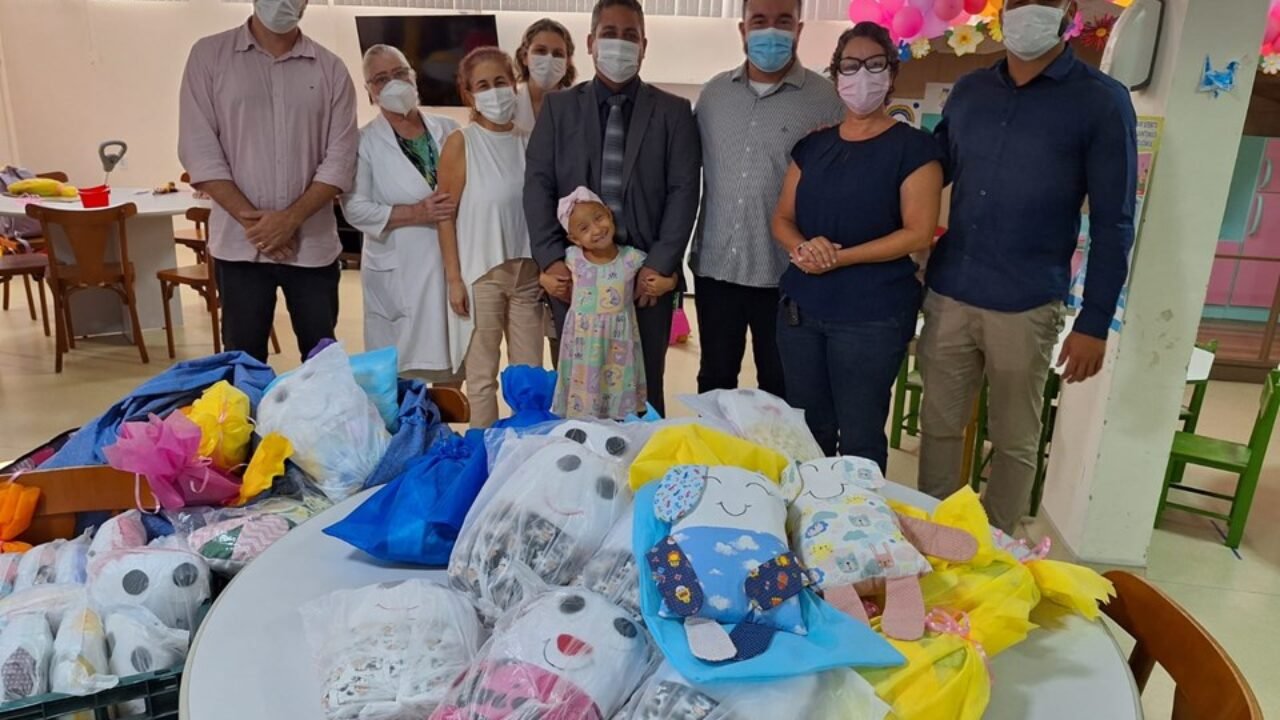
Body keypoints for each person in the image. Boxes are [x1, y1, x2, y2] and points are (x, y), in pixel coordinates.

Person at [919, 0, 1137, 533]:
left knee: (1014, 440)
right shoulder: (970, 91)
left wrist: (1094, 321)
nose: (1028, 9)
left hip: (1027, 301)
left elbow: (1113, 222)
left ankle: (999, 549)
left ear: (1069, 9)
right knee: (939, 427)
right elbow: (927, 171)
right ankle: (933, 539)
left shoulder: (1101, 101)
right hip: (950, 290)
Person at [770, 22, 943, 472]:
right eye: (850, 65)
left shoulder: (915, 149)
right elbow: (782, 218)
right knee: (807, 433)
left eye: (874, 64)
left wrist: (838, 257)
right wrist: (803, 248)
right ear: (836, 75)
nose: (861, 75)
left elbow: (918, 232)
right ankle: (809, 512)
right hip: (802, 312)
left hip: (872, 318)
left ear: (892, 73)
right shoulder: (813, 146)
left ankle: (859, 517)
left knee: (860, 435)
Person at [524, 0, 701, 417]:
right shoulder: (559, 108)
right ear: (590, 42)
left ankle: (641, 455)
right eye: (609, 34)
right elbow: (538, 184)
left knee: (643, 390)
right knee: (579, 386)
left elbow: (683, 191)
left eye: (629, 35)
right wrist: (550, 259)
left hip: (644, 279)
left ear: (644, 45)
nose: (619, 43)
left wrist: (660, 263)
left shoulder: (673, 112)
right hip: (579, 276)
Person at [178, 0, 357, 361]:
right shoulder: (209, 56)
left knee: (323, 362)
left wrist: (290, 220)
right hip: (240, 246)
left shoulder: (330, 69)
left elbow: (340, 160)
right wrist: (260, 227)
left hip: (312, 246)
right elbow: (200, 151)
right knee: (242, 362)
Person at [691, 0, 844, 398]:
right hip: (716, 267)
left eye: (783, 21)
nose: (771, 31)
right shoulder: (713, 95)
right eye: (759, 21)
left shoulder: (828, 101)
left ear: (799, 29)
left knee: (780, 387)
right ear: (742, 29)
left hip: (786, 273)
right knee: (714, 379)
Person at [340, 45, 460, 385]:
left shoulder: (450, 130)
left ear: (413, 76)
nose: (392, 83)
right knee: (403, 369)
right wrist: (417, 212)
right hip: (400, 266)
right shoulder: (363, 142)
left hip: (453, 262)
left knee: (455, 361)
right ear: (370, 91)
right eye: (380, 79)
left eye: (399, 73)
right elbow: (354, 208)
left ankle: (451, 414)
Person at [437, 47, 543, 428]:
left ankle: (526, 447)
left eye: (501, 81)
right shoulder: (461, 143)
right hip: (481, 275)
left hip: (528, 275)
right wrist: (453, 279)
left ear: (514, 84)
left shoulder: (530, 141)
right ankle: (483, 450)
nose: (494, 91)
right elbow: (445, 216)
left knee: (529, 375)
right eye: (483, 85)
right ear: (468, 94)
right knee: (482, 376)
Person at [552, 187, 672, 419]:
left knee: (619, 405)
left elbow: (663, 272)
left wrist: (668, 282)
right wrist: (543, 278)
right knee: (584, 402)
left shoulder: (631, 258)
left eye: (599, 218)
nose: (597, 230)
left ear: (609, 213)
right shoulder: (572, 258)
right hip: (583, 348)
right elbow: (546, 275)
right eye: (584, 228)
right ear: (574, 239)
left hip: (618, 347)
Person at [513, 18, 578, 134]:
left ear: (567, 62)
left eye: (558, 54)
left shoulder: (579, 105)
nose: (549, 59)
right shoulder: (509, 103)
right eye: (541, 51)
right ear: (524, 57)